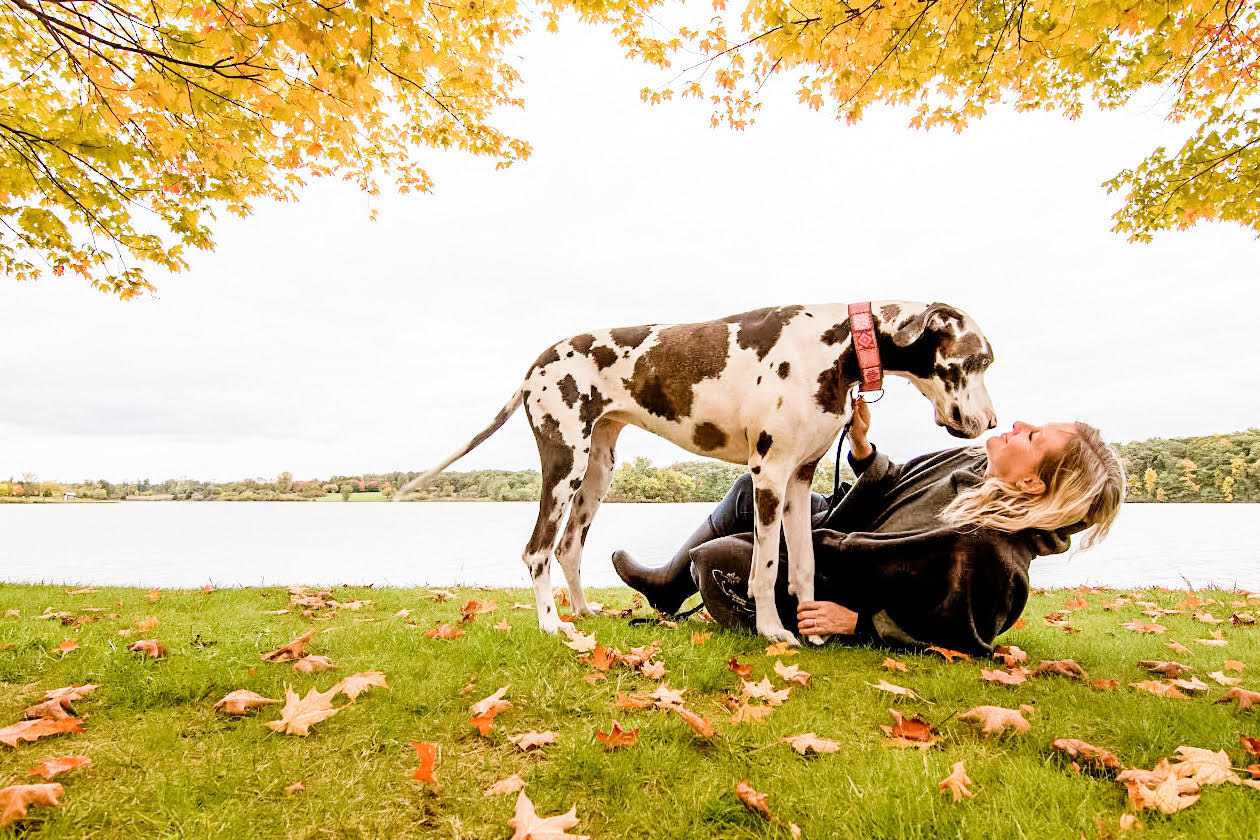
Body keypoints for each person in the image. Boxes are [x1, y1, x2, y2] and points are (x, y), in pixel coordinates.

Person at [611, 398, 1126, 655]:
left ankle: (715, 585)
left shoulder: (995, 555)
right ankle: (666, 588)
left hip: (843, 583)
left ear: (1034, 485)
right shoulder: (974, 467)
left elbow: (964, 637)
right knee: (751, 491)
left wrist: (859, 625)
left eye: (1032, 438)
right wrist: (861, 447)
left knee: (718, 561)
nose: (1017, 427)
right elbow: (898, 481)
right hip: (844, 530)